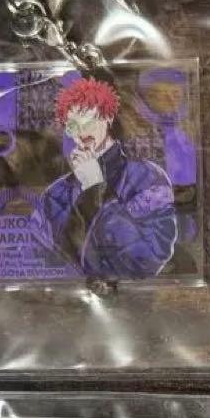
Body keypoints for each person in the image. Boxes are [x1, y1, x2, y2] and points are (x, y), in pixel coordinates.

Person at [27, 77, 178, 280]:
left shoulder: (147, 178)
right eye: (73, 126)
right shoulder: (56, 192)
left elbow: (148, 259)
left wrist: (95, 190)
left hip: (132, 295)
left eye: (88, 122)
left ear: (108, 117)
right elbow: (40, 262)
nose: (82, 133)